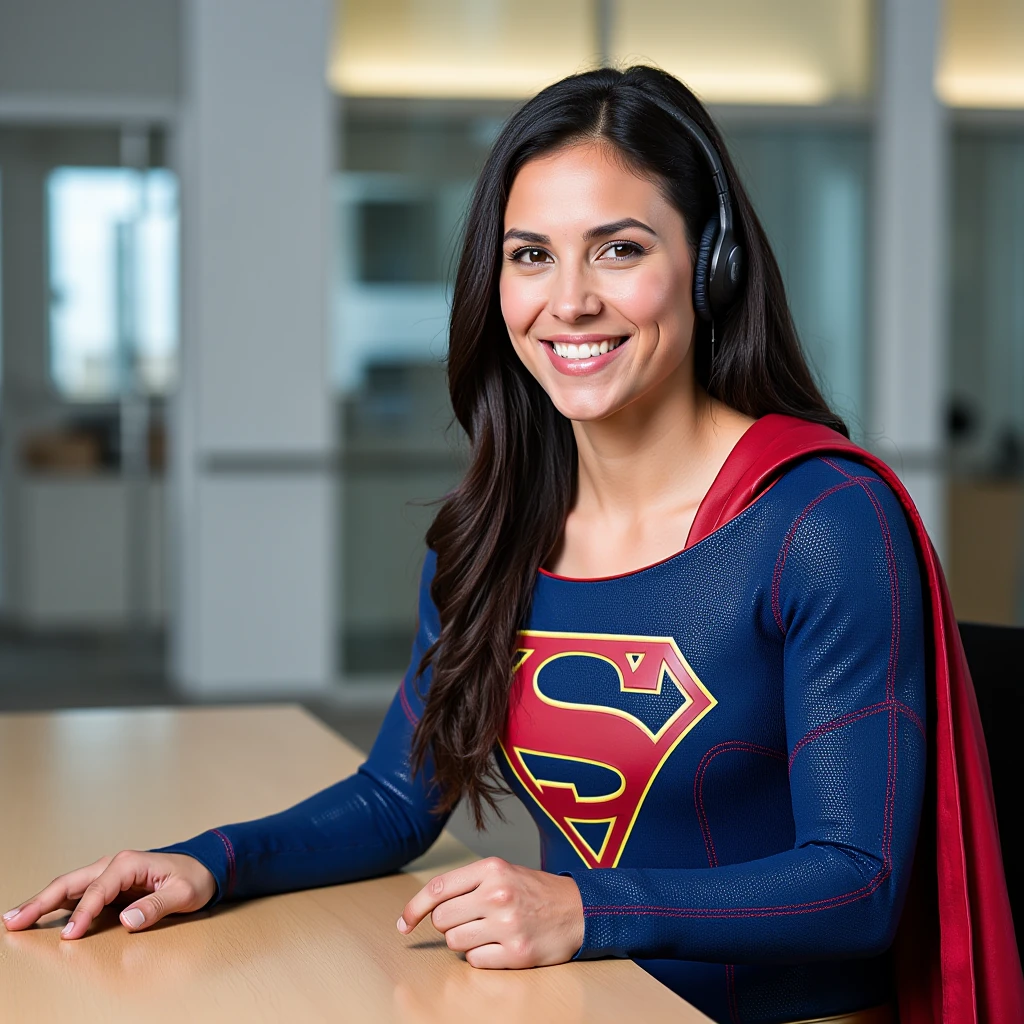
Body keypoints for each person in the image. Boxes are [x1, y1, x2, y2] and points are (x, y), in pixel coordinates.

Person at [5, 66, 1021, 1024]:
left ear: (710, 264)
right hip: (581, 1001)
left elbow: (861, 880)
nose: (567, 300)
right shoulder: (492, 532)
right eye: (531, 254)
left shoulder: (823, 521)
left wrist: (585, 910)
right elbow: (398, 796)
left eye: (619, 249)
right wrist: (211, 861)